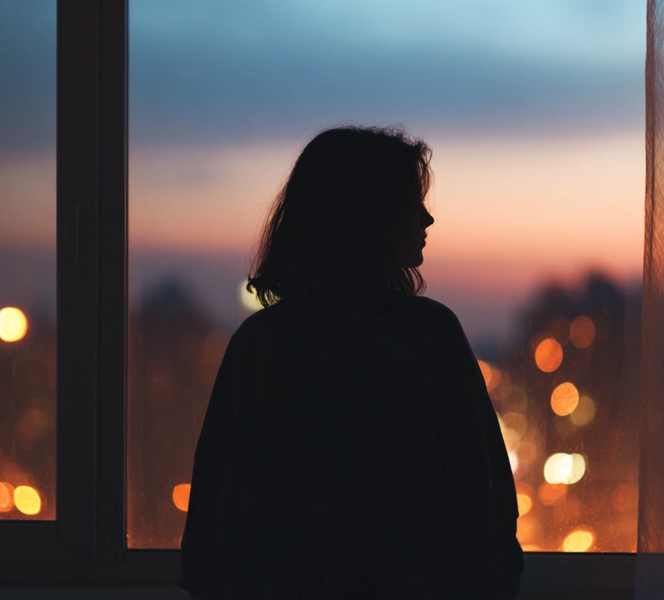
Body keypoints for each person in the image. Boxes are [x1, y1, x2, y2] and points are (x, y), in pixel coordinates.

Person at [180, 126, 523, 599]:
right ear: (369, 215)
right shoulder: (428, 336)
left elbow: (212, 523)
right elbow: (483, 504)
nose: (427, 218)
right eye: (411, 202)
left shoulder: (259, 344)